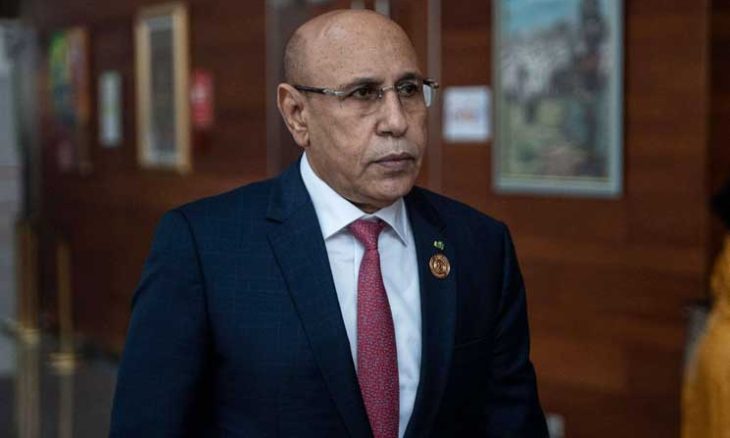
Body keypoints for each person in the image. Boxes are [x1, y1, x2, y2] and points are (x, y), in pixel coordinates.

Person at [110, 9, 548, 438]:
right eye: (363, 93)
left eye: (409, 89)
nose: (397, 121)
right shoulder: (204, 248)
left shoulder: (479, 246)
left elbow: (511, 422)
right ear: (297, 114)